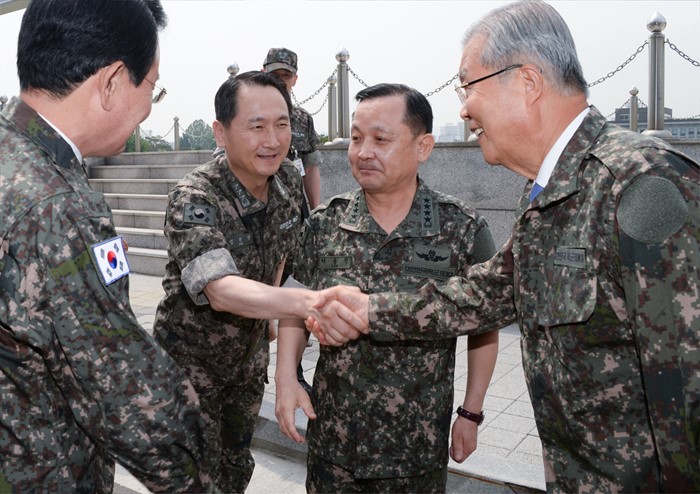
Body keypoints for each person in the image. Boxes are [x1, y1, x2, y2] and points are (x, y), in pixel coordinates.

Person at [311, 1, 700, 492]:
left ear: (527, 82)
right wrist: (369, 310)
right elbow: (488, 293)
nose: (463, 109)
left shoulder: (639, 182)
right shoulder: (547, 192)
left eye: (468, 86)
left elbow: (687, 388)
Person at [0, 0, 216, 492]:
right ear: (113, 80)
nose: (149, 106)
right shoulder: (57, 206)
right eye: (152, 87)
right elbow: (126, 391)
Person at [275, 83, 500, 493]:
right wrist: (287, 376)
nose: (363, 152)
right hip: (334, 447)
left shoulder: (462, 229)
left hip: (414, 452)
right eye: (356, 138)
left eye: (381, 140)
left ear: (423, 147)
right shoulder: (325, 223)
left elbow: (484, 326)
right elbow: (295, 303)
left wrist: (470, 413)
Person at [151, 70, 363, 493]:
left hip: (246, 369)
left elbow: (288, 263)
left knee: (233, 471)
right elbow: (219, 288)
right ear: (221, 132)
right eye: (257, 126)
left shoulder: (286, 182)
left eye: (282, 125)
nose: (272, 140)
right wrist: (307, 304)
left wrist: (284, 364)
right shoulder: (195, 196)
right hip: (187, 374)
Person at [263, 47, 324, 393]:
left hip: (294, 212)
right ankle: (256, 366)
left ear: (294, 79)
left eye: (285, 76)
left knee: (295, 287)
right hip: (257, 212)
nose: (280, 80)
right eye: (274, 74)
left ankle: (293, 369)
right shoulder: (248, 108)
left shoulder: (302, 119)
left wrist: (315, 212)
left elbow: (311, 167)